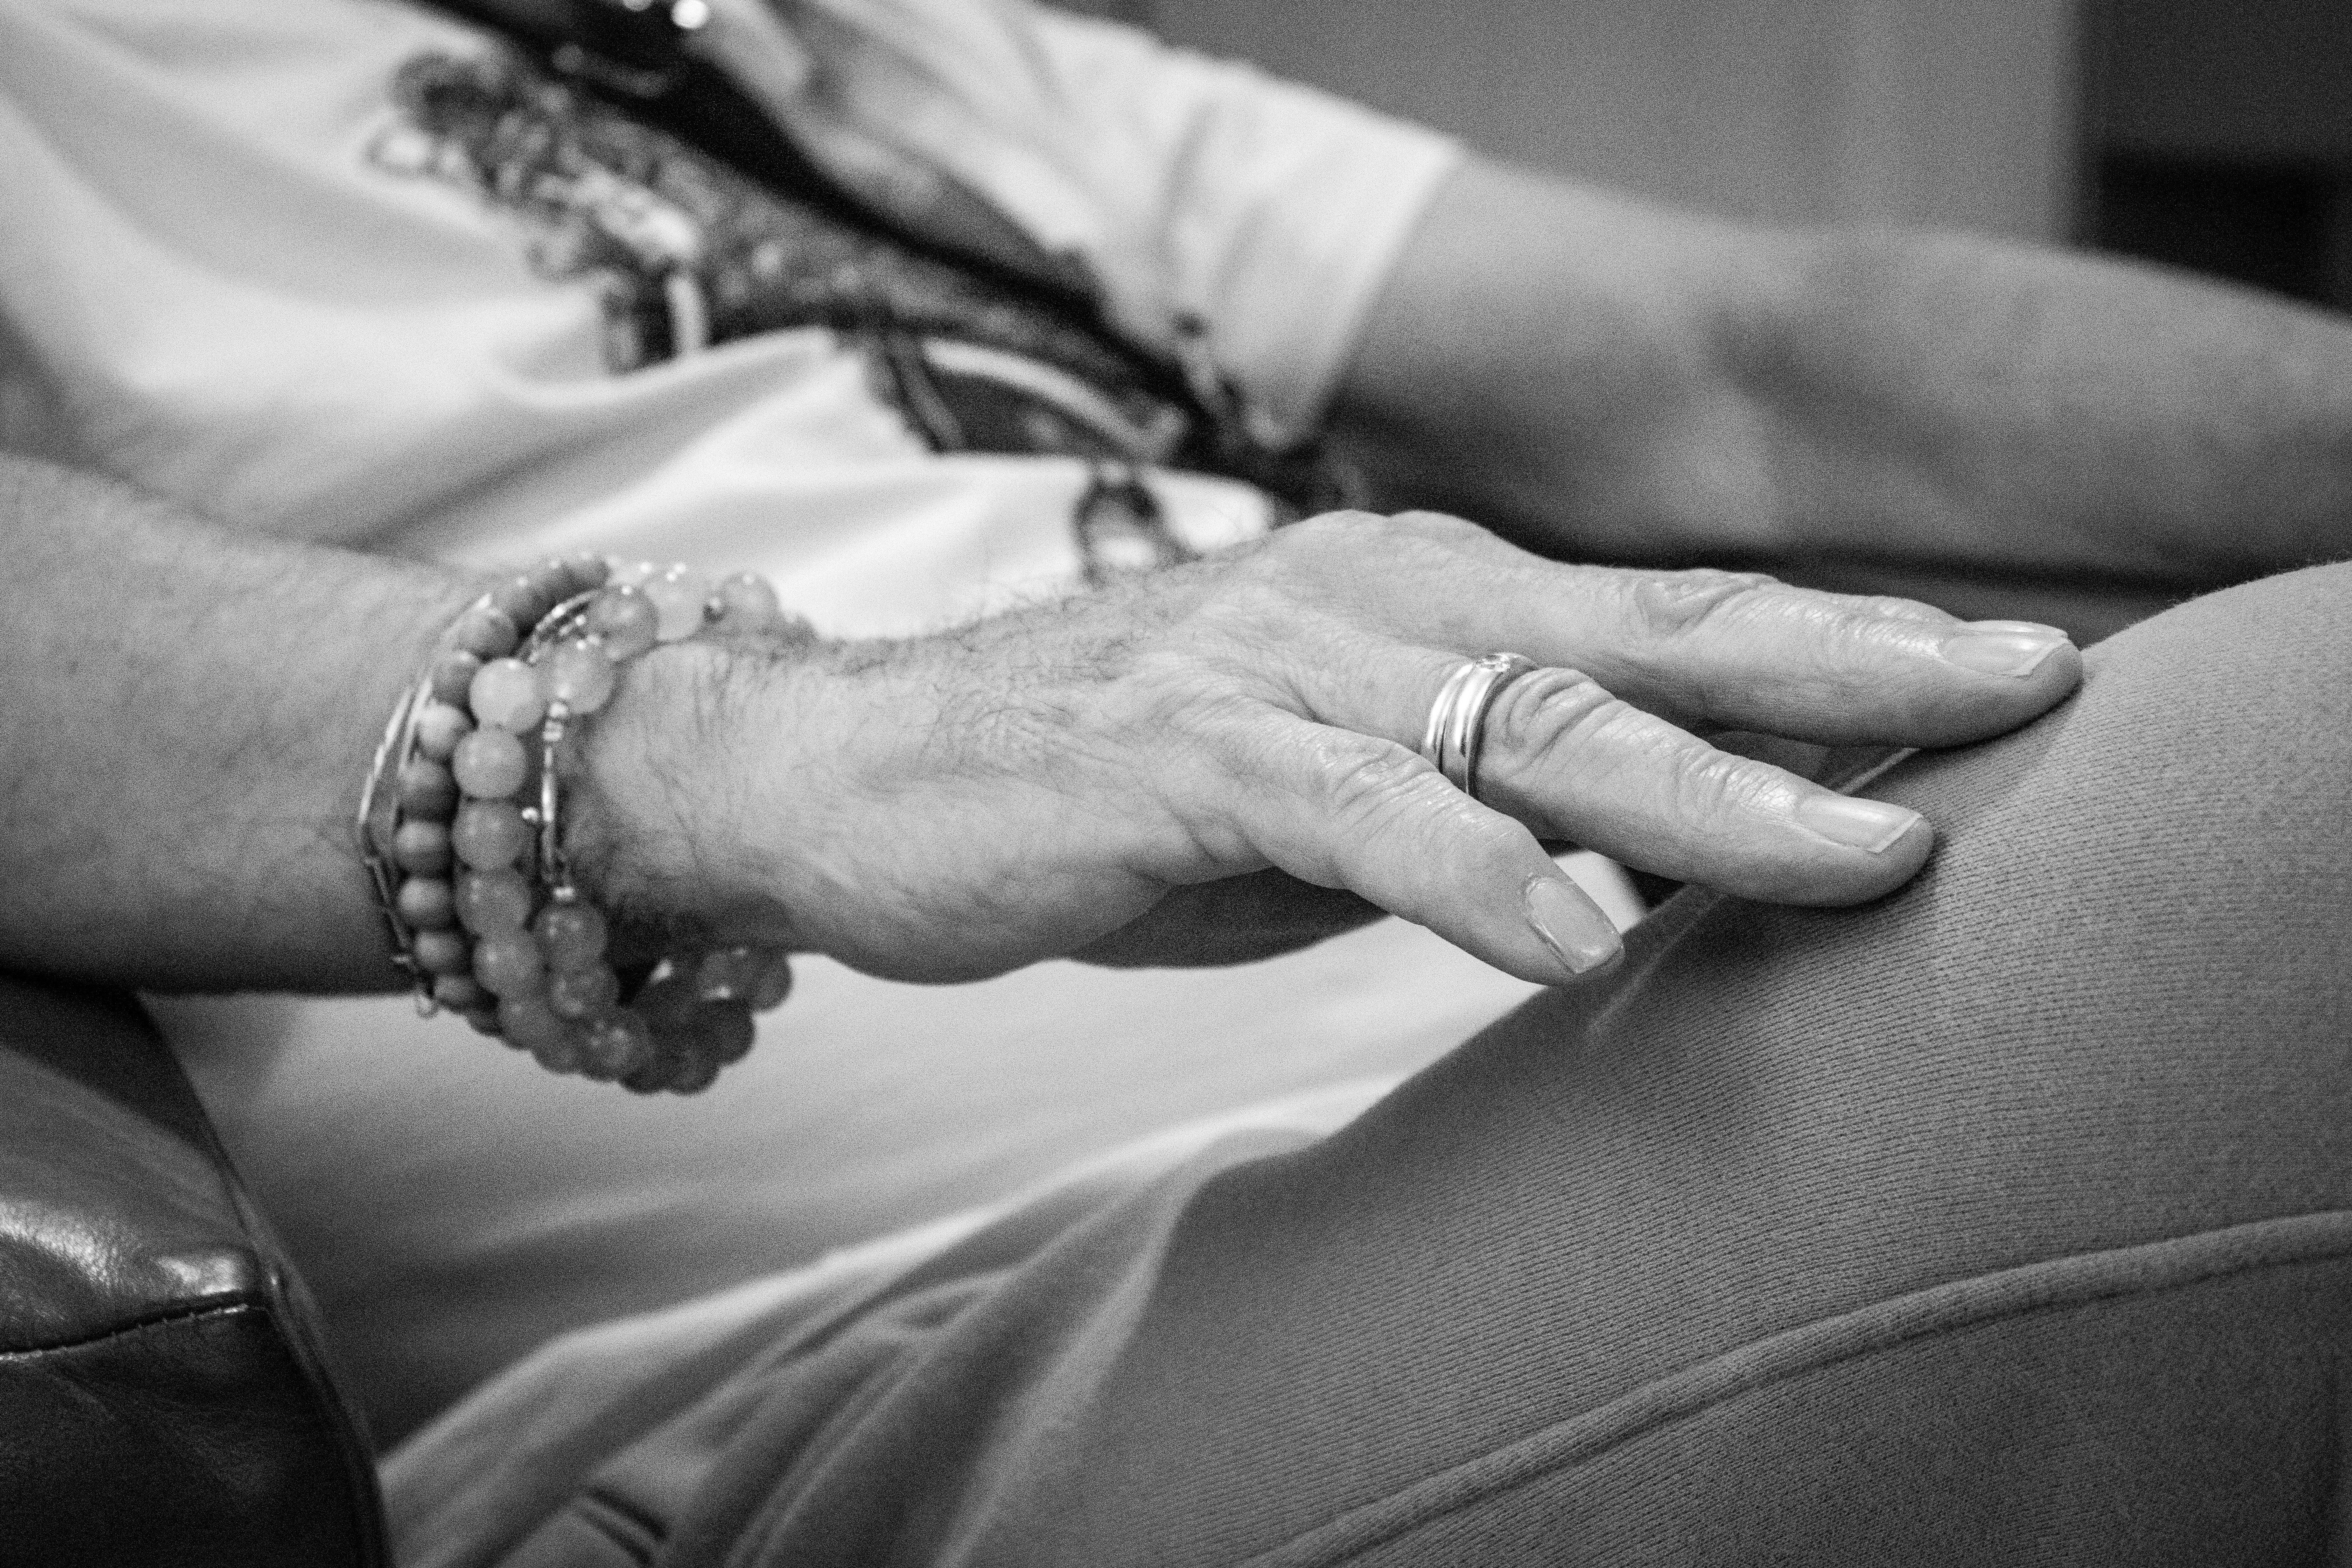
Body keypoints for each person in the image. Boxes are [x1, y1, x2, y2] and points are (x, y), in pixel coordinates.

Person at [1, 0, 2349, 1559]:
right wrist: (755, 742)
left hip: (1538, 1053)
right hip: (832, 1380)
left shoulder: (834, 40)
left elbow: (1755, 355)